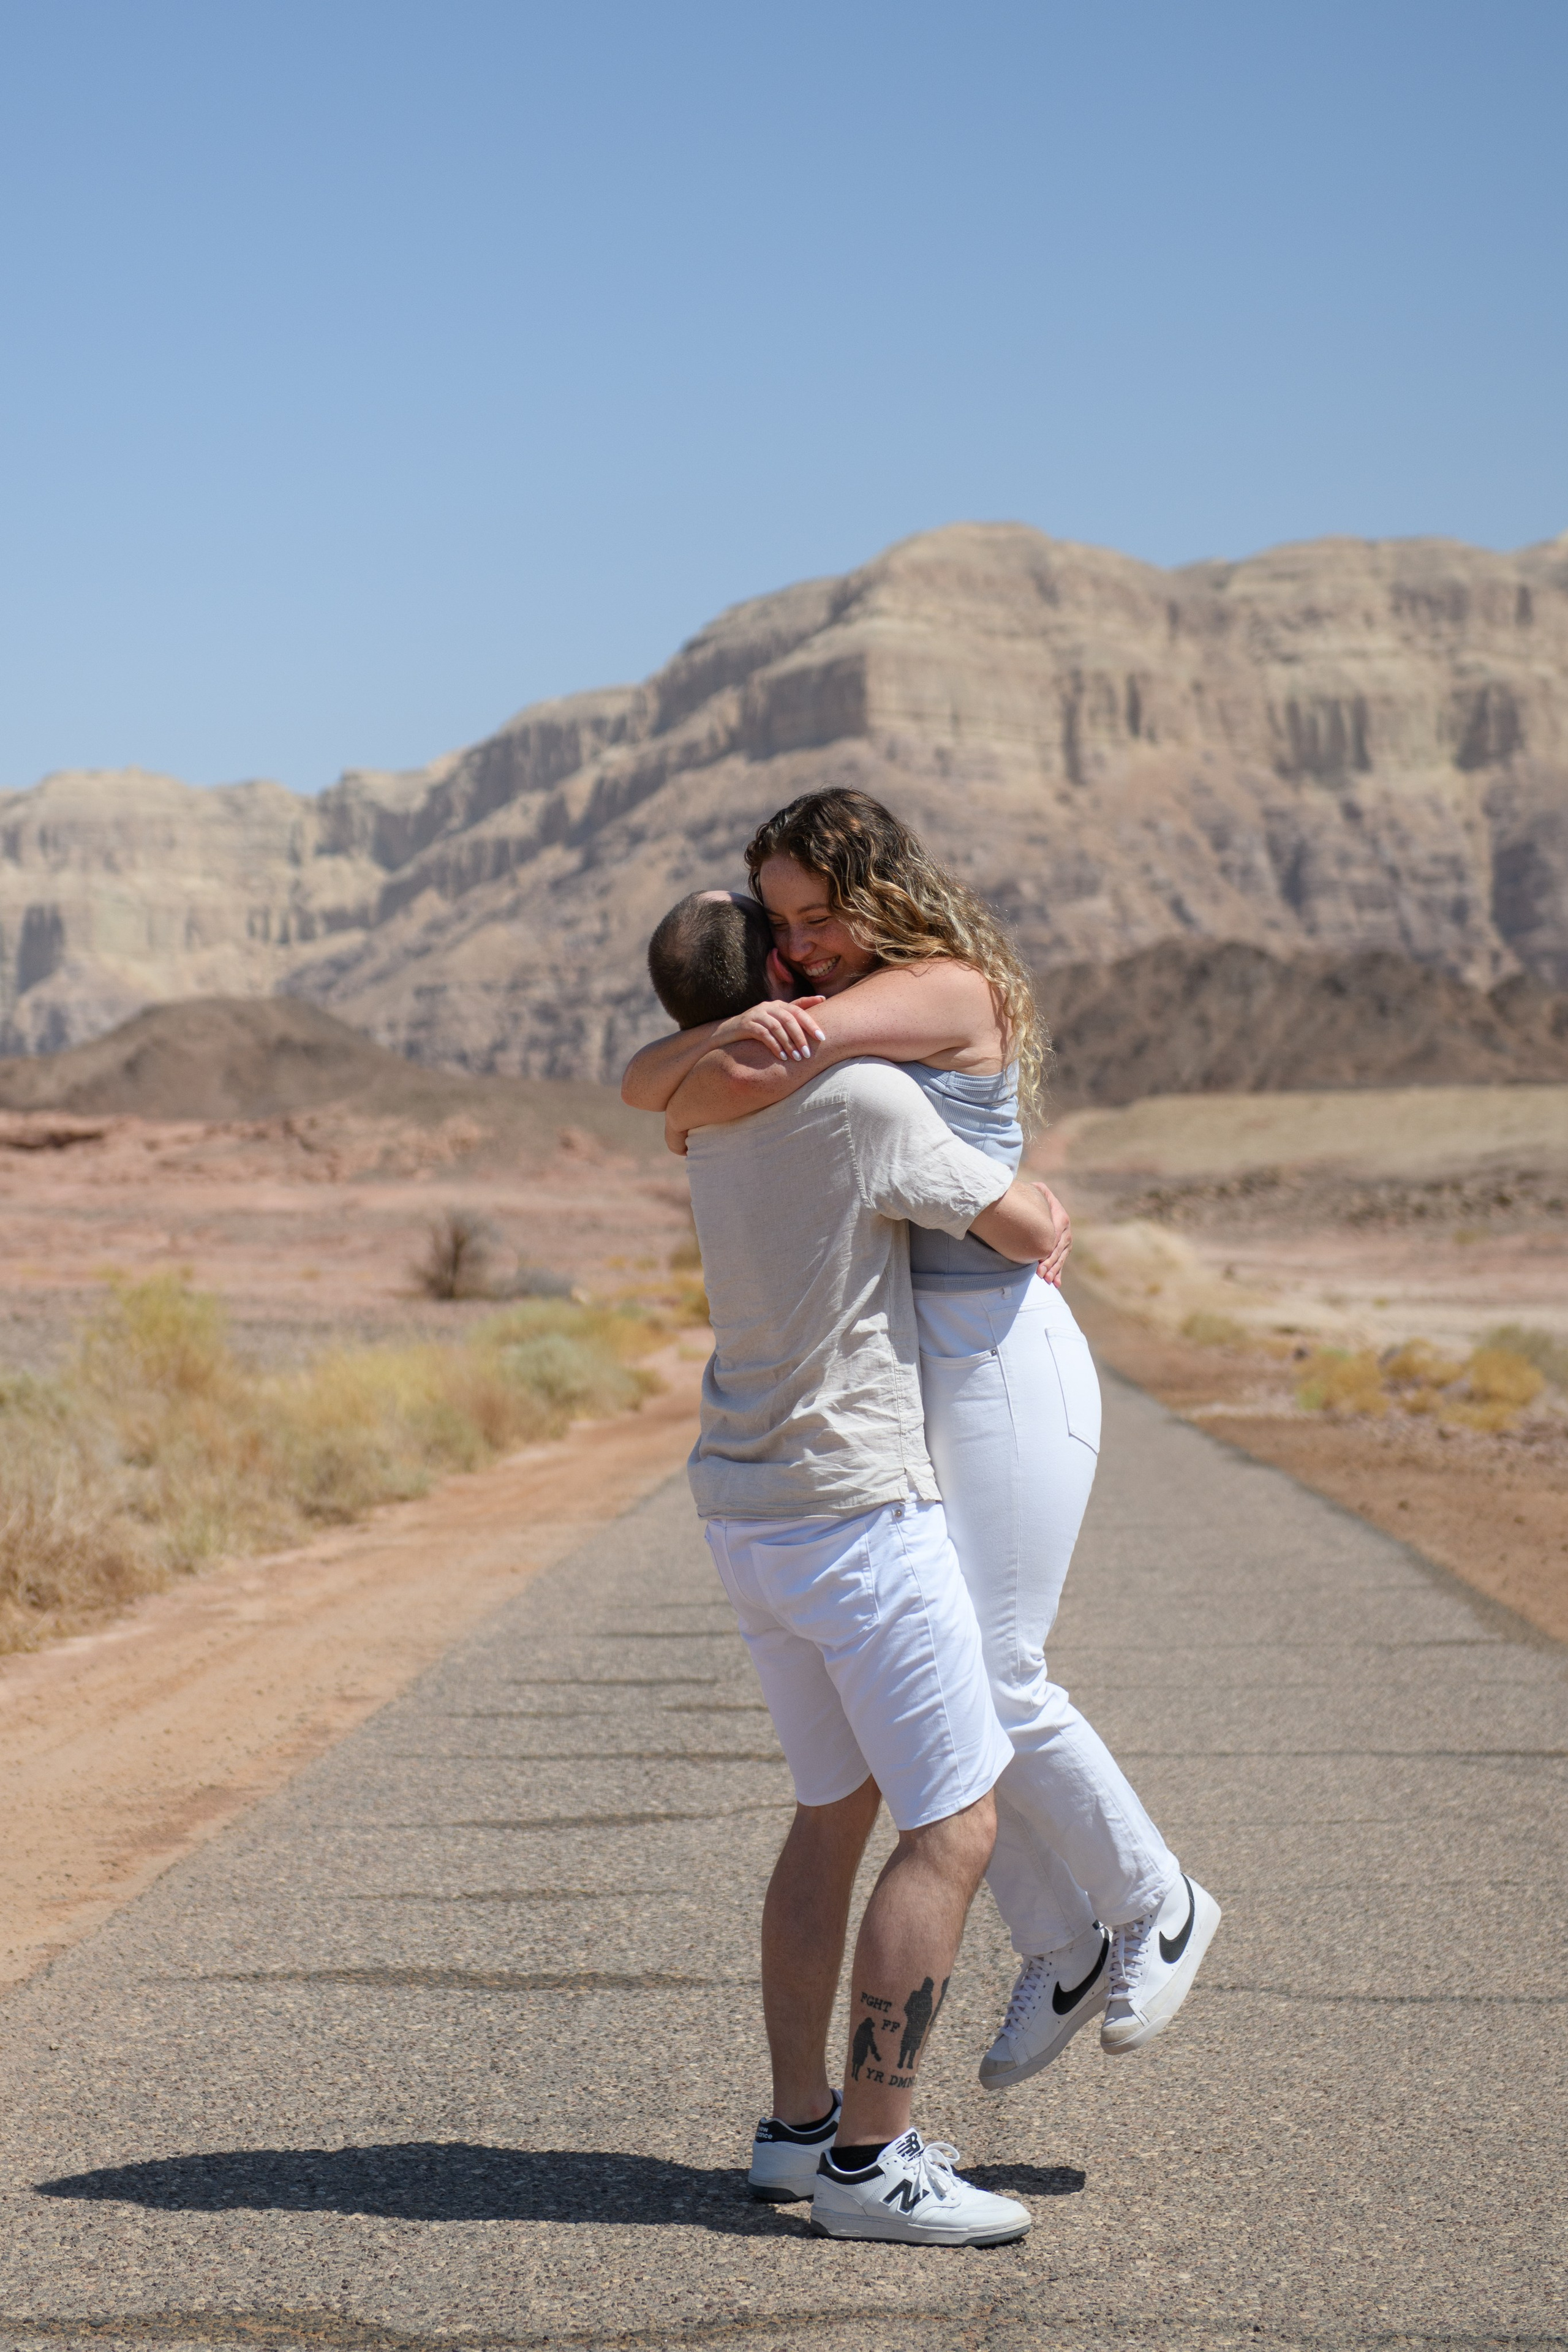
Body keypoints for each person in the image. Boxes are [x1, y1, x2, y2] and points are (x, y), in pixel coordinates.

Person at [625, 793, 1219, 2089]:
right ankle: (1056, 1943)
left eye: (817, 914)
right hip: (914, 1363)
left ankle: (1155, 1898)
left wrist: (705, 1071)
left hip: (1002, 1350)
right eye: (777, 925)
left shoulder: (948, 991)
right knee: (940, 1698)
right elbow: (647, 1086)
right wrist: (704, 1070)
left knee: (998, 1673)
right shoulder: (822, 1021)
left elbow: (719, 1074)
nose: (799, 948)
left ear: (876, 889)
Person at [639, 887, 1066, 2245]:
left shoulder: (698, 1117)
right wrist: (1041, 1202)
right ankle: (874, 2162)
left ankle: (795, 2127)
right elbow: (1015, 1219)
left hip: (747, 1511)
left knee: (832, 1812)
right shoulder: (864, 1108)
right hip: (854, 1513)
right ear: (775, 976)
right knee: (951, 1826)